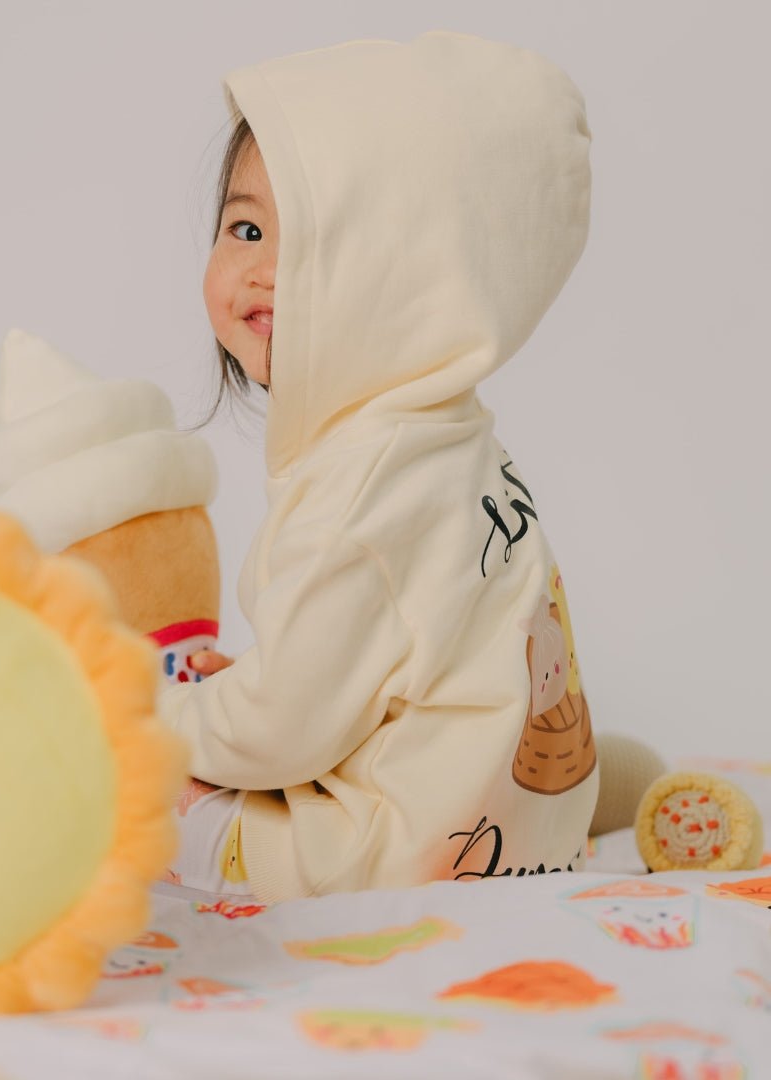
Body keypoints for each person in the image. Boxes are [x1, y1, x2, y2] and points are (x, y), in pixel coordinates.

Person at [155, 30, 603, 903]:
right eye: (246, 227)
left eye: (324, 247)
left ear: (423, 277)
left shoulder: (361, 486)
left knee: (138, 795)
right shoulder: (447, 432)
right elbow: (394, 659)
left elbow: (281, 736)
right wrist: (255, 682)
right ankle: (605, 792)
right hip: (516, 828)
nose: (261, 274)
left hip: (391, 859)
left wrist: (159, 720)